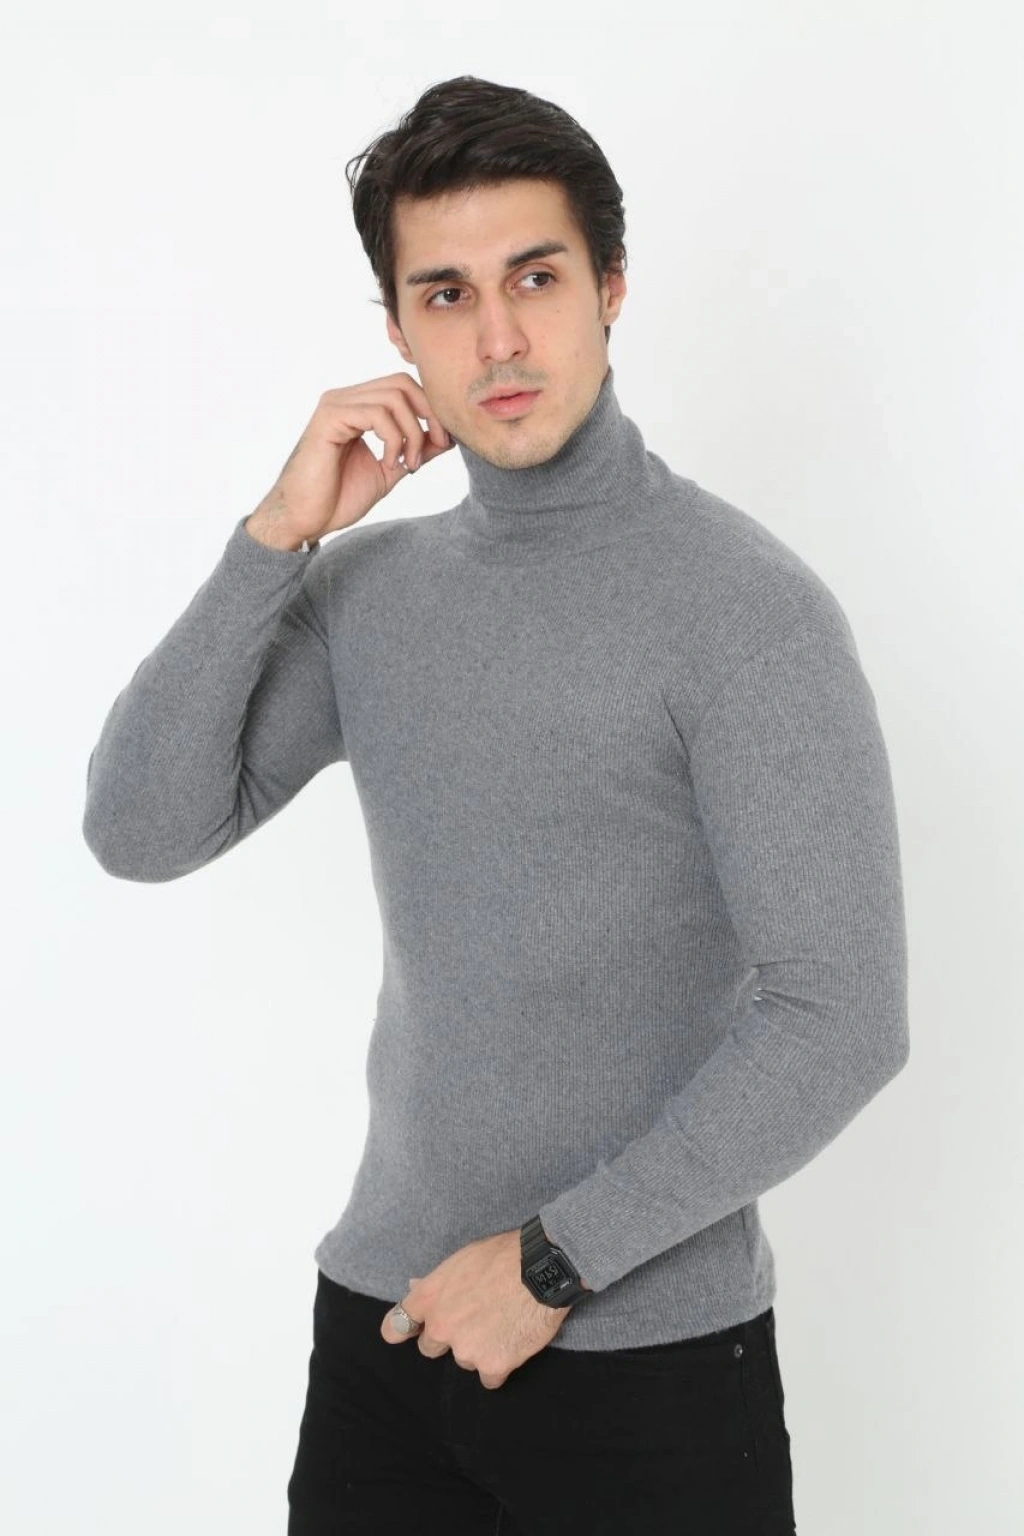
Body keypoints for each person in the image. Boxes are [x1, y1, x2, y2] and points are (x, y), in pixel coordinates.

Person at [82, 73, 909, 1535]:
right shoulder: (370, 596)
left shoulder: (745, 611)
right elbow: (138, 831)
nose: (500, 338)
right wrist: (274, 539)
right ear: (398, 333)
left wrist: (549, 1263)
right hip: (386, 1335)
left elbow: (843, 1015)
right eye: (447, 295)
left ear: (611, 288)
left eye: (536, 277)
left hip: (646, 1373)